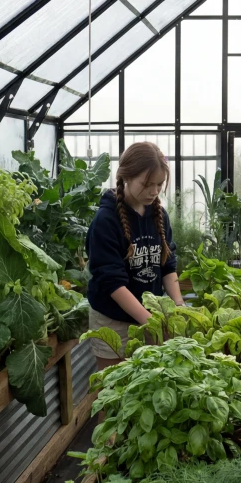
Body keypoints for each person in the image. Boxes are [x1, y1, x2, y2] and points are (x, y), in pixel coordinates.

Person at [86, 142, 184, 370]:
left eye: (159, 184)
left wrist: (178, 306)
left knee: (147, 389)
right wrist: (151, 322)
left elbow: (168, 266)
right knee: (110, 390)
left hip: (150, 317)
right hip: (113, 321)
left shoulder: (159, 216)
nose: (154, 191)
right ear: (126, 176)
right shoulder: (105, 221)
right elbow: (113, 284)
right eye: (147, 184)